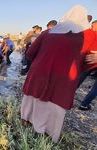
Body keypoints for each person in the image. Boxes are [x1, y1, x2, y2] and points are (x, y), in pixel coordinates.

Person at [20, 5, 95, 142]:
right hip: (64, 78)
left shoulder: (48, 33)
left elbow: (30, 54)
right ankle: (47, 134)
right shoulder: (89, 36)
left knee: (32, 97)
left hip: (38, 73)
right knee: (55, 105)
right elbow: (90, 61)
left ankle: (26, 121)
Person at [78, 20, 97, 110]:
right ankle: (84, 104)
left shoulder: (89, 33)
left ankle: (66, 98)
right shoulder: (89, 32)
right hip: (88, 60)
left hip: (87, 60)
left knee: (78, 78)